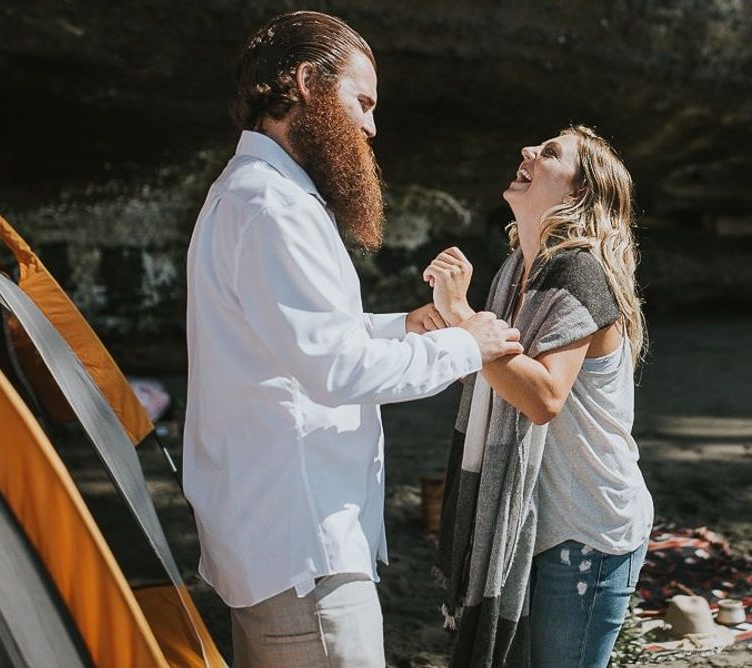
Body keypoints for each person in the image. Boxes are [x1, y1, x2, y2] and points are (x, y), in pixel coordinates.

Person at [182, 11, 522, 668]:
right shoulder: (273, 207)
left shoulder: (257, 193)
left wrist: (401, 327)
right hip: (303, 545)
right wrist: (468, 345)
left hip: (278, 537)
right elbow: (335, 369)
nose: (371, 126)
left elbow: (290, 336)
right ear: (307, 82)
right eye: (361, 102)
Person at [429, 126, 654, 668]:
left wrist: (463, 317)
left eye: (550, 152)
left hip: (585, 532)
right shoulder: (517, 272)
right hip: (536, 523)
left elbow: (543, 397)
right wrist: (445, 331)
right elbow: (496, 379)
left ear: (580, 192)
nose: (526, 151)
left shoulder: (579, 271)